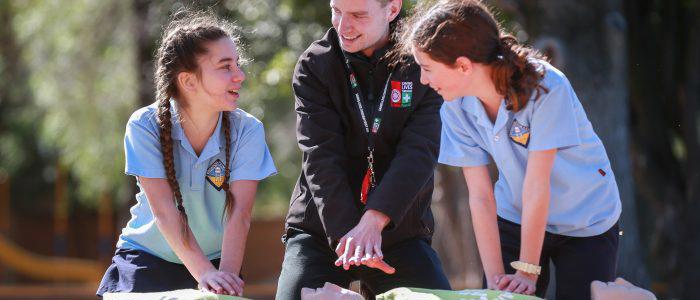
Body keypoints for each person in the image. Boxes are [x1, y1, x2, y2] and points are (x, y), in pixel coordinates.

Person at [399, 1, 622, 299]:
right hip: (515, 215)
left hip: (584, 218)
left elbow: (537, 185)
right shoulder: (453, 103)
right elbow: (479, 194)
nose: (423, 79)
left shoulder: (546, 86)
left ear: (464, 66)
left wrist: (527, 270)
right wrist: (495, 279)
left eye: (427, 69)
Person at [276, 0, 451, 299]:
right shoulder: (315, 65)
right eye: (337, 11)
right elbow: (320, 158)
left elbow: (418, 154)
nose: (343, 26)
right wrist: (349, 236)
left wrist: (374, 221)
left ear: (392, 9)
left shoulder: (422, 64)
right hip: (321, 230)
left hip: (399, 232)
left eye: (358, 15)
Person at [96, 11, 276, 298]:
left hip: (219, 262)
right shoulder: (144, 125)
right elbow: (165, 212)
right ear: (188, 81)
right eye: (225, 66)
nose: (239, 75)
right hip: (147, 258)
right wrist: (203, 274)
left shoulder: (248, 130)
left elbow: (239, 214)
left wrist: (224, 281)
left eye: (237, 64)